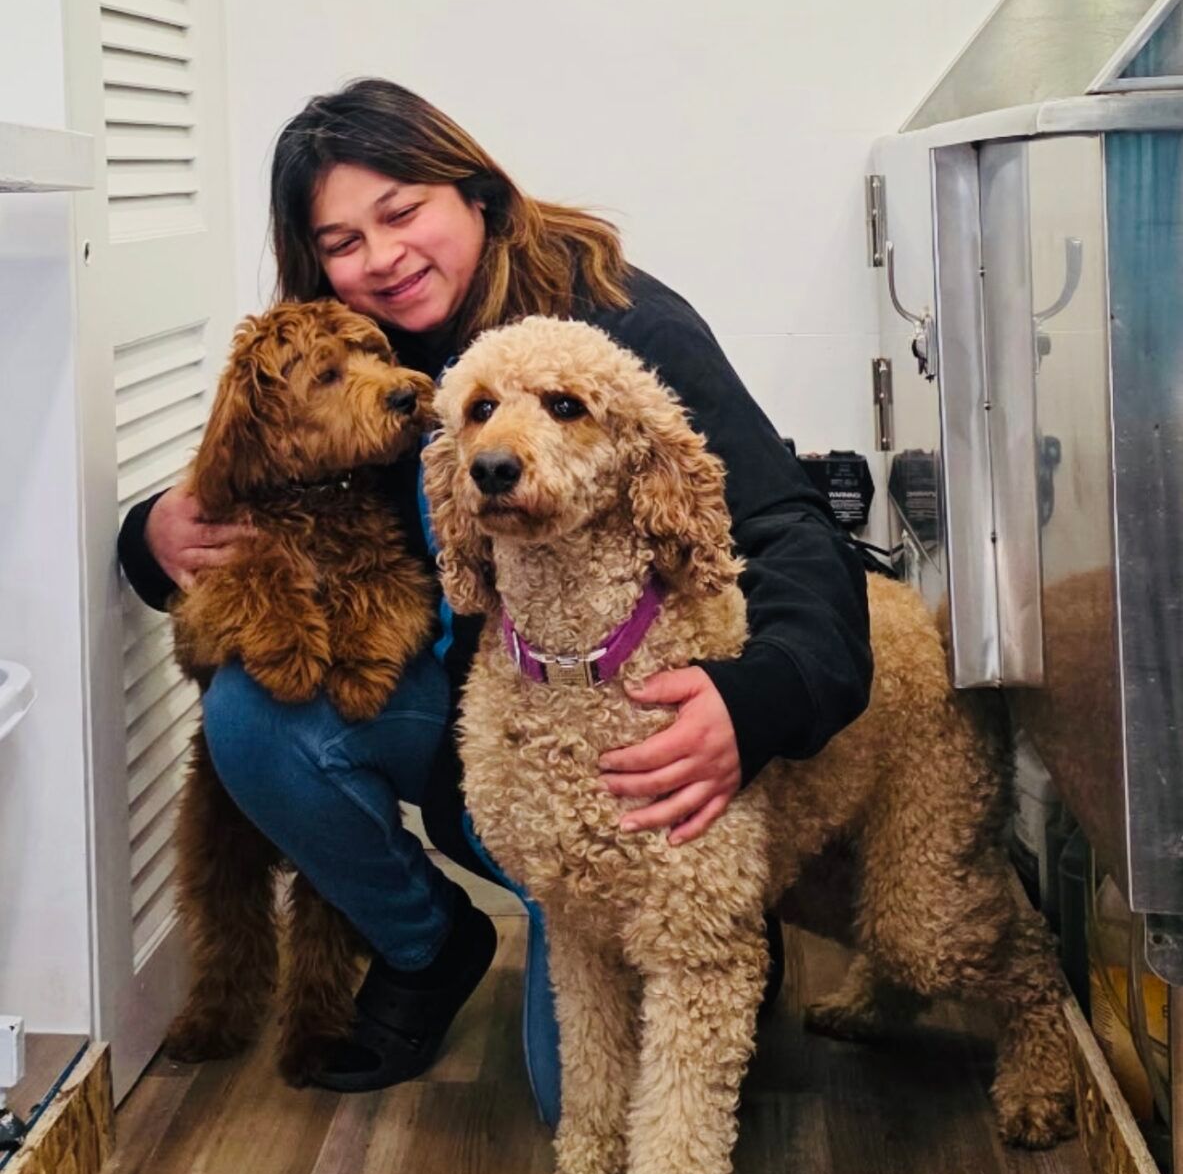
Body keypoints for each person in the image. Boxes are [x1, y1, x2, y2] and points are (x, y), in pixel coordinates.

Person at [119, 79, 872, 1119]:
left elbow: (786, 527)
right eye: (341, 240)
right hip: (478, 732)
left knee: (599, 1107)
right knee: (253, 716)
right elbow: (252, 487)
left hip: (620, 746)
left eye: (400, 210)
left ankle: (711, 913)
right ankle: (425, 943)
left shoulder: (619, 323)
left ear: (473, 190)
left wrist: (759, 698)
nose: (380, 256)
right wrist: (149, 533)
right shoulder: (358, 352)